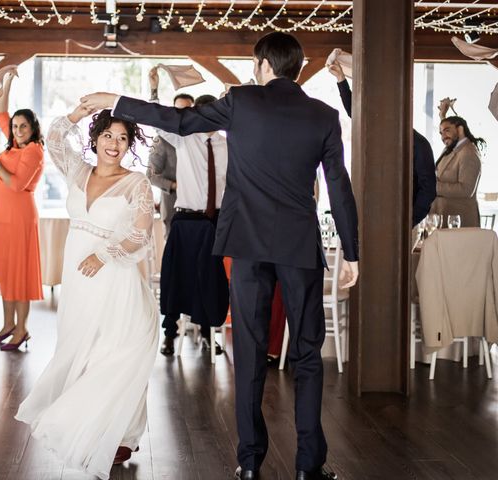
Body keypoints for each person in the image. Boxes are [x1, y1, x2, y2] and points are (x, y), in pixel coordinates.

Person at [81, 32, 359, 480]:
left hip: (246, 245)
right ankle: (309, 466)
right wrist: (352, 251)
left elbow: (180, 120)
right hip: (298, 247)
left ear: (265, 65)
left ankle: (249, 464)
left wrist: (119, 100)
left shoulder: (242, 102)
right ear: (297, 69)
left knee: (248, 352)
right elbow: (338, 185)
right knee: (307, 354)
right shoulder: (324, 115)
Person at [15, 107, 157, 480]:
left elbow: (142, 231)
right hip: (77, 280)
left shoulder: (136, 182)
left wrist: (104, 253)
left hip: (114, 276)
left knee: (112, 352)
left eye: (123, 138)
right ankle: (109, 429)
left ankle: (119, 433)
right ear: (95, 138)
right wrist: (80, 111)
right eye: (108, 135)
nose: (115, 144)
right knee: (81, 349)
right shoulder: (78, 171)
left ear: (130, 145)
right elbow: (57, 137)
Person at [154, 93, 230, 357]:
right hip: (186, 220)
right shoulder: (184, 138)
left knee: (209, 281)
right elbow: (157, 120)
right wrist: (154, 91)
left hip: (215, 222)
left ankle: (209, 335)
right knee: (176, 277)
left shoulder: (228, 145)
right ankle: (169, 334)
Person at [327, 61, 436, 226]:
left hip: (404, 222)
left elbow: (428, 190)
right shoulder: (381, 137)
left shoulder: (419, 145)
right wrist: (341, 79)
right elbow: (355, 113)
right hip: (373, 218)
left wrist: (409, 221)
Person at [0, 71, 44, 350]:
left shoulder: (33, 151)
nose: (17, 130)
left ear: (33, 128)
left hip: (19, 218)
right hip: (1, 219)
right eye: (15, 126)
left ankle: (22, 329)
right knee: (7, 271)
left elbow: (18, 185)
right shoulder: (14, 142)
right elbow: (1, 112)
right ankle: (8, 324)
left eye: (23, 126)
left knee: (19, 274)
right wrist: (7, 82)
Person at [146, 66, 195, 238]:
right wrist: (175, 186)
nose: (183, 115)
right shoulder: (163, 139)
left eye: (188, 110)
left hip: (202, 211)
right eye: (178, 110)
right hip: (174, 209)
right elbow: (150, 175)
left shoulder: (200, 139)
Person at [430, 114, 484, 227]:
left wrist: (432, 186)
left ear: (460, 129)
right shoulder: (454, 150)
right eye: (441, 133)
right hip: (446, 222)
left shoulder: (468, 153)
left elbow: (466, 190)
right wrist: (442, 116)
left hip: (461, 225)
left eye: (447, 131)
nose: (443, 136)